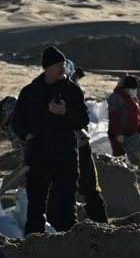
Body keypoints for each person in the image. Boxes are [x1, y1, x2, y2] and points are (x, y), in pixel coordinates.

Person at [8, 45, 91, 235]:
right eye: (58, 66)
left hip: (65, 155)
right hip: (38, 155)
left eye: (63, 65)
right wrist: (27, 135)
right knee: (36, 206)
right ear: (47, 68)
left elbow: (83, 121)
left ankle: (68, 244)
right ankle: (33, 245)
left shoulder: (72, 91)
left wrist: (64, 112)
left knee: (66, 205)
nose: (63, 69)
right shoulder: (30, 92)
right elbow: (17, 120)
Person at [107, 76, 140, 168]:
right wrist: (119, 134)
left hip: (132, 135)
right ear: (126, 88)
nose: (134, 90)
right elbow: (114, 118)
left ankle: (138, 174)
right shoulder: (115, 98)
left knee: (137, 158)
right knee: (119, 157)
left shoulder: (133, 98)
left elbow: (138, 115)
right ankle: (120, 175)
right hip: (119, 135)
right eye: (133, 88)